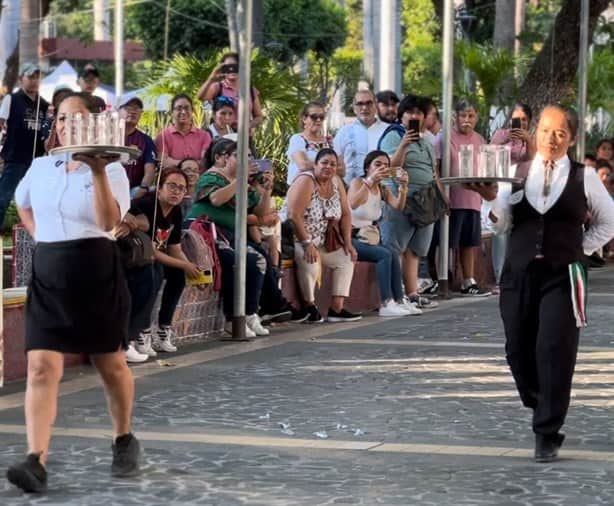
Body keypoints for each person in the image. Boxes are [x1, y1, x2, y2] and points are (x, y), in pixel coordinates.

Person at [6, 93, 139, 493]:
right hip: (49, 272)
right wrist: (41, 236)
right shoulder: (42, 166)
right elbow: (22, 203)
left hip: (96, 268)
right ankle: (36, 459)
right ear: (55, 124)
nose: (68, 126)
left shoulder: (112, 170)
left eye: (77, 119)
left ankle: (123, 437)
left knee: (110, 364)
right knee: (41, 366)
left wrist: (97, 171)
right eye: (62, 119)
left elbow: (109, 221)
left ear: (94, 124)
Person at [489, 104, 614, 462]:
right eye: (545, 130)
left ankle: (547, 431)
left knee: (554, 350)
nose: (552, 138)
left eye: (561, 132)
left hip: (562, 276)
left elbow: (609, 221)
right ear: (534, 132)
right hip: (519, 272)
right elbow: (497, 224)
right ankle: (539, 399)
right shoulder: (516, 172)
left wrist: (580, 248)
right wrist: (492, 204)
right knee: (518, 349)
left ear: (572, 138)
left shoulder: (583, 176)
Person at [189, 140, 299, 336]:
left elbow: (261, 212)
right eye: (241, 156)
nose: (248, 161)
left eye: (249, 157)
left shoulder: (243, 183)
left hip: (231, 235)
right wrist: (240, 180)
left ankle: (251, 312)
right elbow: (216, 199)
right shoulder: (212, 177)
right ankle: (234, 318)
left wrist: (266, 190)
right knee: (238, 262)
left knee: (259, 259)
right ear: (222, 158)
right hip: (206, 234)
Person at [130, 167, 201, 356]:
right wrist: (185, 265)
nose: (176, 191)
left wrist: (192, 269)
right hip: (138, 257)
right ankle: (141, 330)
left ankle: (163, 328)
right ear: (159, 188)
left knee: (178, 274)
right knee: (154, 272)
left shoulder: (175, 212)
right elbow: (150, 251)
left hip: (157, 257)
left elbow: (175, 248)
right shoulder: (145, 205)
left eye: (181, 188)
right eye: (172, 186)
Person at [379, 94, 441, 309]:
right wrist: (404, 145)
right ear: (401, 115)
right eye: (410, 112)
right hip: (401, 197)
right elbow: (389, 167)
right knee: (395, 247)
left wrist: (442, 200)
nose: (414, 116)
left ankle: (412, 294)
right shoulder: (393, 136)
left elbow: (433, 173)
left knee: (416, 249)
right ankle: (395, 296)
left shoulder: (426, 142)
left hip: (427, 201)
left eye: (419, 113)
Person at [286, 148, 361, 323]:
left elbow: (346, 214)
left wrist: (348, 243)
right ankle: (309, 306)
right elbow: (293, 215)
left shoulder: (336, 182)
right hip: (298, 238)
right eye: (324, 163)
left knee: (346, 258)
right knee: (310, 260)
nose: (328, 167)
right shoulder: (306, 181)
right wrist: (307, 243)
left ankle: (337, 308)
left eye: (333, 164)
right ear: (315, 164)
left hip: (324, 240)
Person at [347, 150, 418, 316]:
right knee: (384, 254)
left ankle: (399, 300)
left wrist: (403, 186)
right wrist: (370, 181)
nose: (382, 168)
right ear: (367, 167)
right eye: (377, 165)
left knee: (392, 252)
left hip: (371, 237)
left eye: (386, 166)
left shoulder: (383, 189)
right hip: (352, 237)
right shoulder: (358, 182)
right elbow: (353, 203)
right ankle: (386, 302)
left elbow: (398, 206)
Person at [436, 97, 490, 296]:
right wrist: (442, 194)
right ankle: (441, 278)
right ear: (455, 117)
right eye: (462, 115)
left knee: (469, 241)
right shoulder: (444, 138)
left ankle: (469, 280)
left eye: (471, 115)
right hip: (451, 198)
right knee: (446, 242)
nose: (466, 119)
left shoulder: (479, 139)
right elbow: (437, 168)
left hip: (472, 197)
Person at [488, 103, 536, 287]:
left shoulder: (531, 137)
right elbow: (488, 153)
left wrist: (528, 141)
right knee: (500, 228)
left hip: (522, 186)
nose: (520, 123)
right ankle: (500, 274)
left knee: (521, 228)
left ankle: (519, 272)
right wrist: (504, 140)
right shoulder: (501, 134)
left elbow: (533, 159)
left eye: (524, 119)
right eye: (517, 119)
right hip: (501, 185)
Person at [0, 62, 49, 227]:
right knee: (3, 199)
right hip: (14, 158)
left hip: (36, 160)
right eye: (30, 76)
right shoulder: (11, 99)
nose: (34, 80)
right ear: (22, 78)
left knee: (35, 203)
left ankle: (33, 238)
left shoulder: (44, 105)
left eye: (37, 76)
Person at [334, 89, 388, 185]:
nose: (364, 107)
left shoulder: (388, 131)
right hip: (350, 190)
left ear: (376, 105)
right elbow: (336, 163)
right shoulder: (343, 132)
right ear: (354, 108)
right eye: (360, 104)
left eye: (369, 103)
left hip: (381, 190)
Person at [197, 52, 264, 130]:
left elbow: (259, 116)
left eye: (235, 66)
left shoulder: (250, 89)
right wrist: (211, 78)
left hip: (244, 137)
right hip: (222, 137)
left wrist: (248, 125)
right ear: (223, 68)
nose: (231, 69)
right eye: (228, 67)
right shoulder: (218, 86)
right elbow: (201, 97)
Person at [155, 94, 212, 171]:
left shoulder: (204, 136)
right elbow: (163, 162)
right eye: (179, 108)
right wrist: (192, 165)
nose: (183, 112)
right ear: (172, 112)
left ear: (192, 111)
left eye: (187, 108)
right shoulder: (163, 136)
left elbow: (204, 163)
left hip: (199, 181)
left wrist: (175, 163)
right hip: (173, 181)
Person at [286, 101, 332, 185]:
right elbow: (303, 165)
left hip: (325, 190)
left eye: (321, 117)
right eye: (314, 117)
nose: (318, 120)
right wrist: (330, 166)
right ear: (304, 119)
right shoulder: (297, 139)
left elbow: (341, 169)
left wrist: (316, 165)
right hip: (301, 189)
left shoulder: (329, 142)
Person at [120, 97, 157, 198]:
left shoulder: (146, 140)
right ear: (118, 110)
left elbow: (150, 170)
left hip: (133, 190)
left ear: (141, 113)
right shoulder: (107, 137)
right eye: (128, 108)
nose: (132, 112)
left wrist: (143, 188)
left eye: (137, 109)